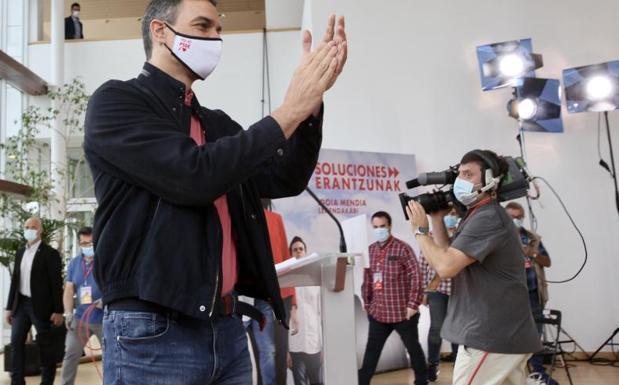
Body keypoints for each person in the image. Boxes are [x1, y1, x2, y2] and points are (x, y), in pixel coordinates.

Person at [83, 0, 347, 383]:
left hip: (225, 329)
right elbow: (194, 176)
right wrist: (289, 109)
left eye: (219, 30)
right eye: (203, 26)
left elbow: (284, 178)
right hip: (152, 331)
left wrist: (310, 104)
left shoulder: (217, 125)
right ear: (160, 31)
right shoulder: (117, 103)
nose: (216, 39)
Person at [406, 149, 542, 385]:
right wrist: (437, 219)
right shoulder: (477, 215)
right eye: (459, 174)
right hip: (501, 335)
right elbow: (448, 255)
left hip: (491, 337)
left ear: (490, 180)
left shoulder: (488, 217)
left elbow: (446, 267)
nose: (461, 180)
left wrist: (420, 231)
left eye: (468, 174)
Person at [358, 211, 428, 385]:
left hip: (403, 314)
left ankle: (422, 380)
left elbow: (416, 276)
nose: (379, 230)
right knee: (371, 352)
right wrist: (367, 304)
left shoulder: (402, 248)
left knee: (413, 349)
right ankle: (362, 382)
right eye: (375, 227)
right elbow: (367, 279)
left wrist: (413, 304)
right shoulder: (371, 250)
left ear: (389, 226)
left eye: (382, 226)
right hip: (379, 314)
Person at [4, 217, 64, 385]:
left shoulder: (50, 254)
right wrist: (9, 308)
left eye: (33, 227)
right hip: (21, 305)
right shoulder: (20, 252)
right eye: (26, 226)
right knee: (16, 343)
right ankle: (17, 381)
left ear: (40, 230)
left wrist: (58, 310)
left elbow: (56, 284)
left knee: (45, 346)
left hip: (41, 306)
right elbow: (15, 282)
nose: (29, 229)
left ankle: (46, 382)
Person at [505, 202, 557, 385]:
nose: (516, 221)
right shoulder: (499, 239)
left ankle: (538, 373)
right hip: (509, 298)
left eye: (519, 217)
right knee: (510, 337)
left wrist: (532, 254)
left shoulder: (532, 238)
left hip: (533, 295)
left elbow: (547, 261)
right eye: (511, 217)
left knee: (535, 336)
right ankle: (511, 375)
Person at [59, 226, 104, 385]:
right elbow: (69, 290)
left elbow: (115, 285)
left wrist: (106, 299)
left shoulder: (105, 260)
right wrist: (68, 313)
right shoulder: (74, 264)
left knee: (111, 357)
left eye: (90, 243)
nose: (87, 246)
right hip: (80, 319)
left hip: (103, 319)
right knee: (70, 354)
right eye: (83, 243)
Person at [420, 211, 459, 381]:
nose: (450, 216)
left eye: (453, 214)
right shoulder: (429, 236)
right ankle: (433, 364)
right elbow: (422, 263)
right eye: (447, 213)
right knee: (437, 328)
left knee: (458, 330)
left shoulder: (462, 235)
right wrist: (423, 291)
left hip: (459, 291)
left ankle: (460, 366)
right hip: (437, 290)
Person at [287, 236, 323, 385]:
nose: (298, 252)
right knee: (299, 382)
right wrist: (286, 352)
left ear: (305, 252)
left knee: (317, 381)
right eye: (295, 250)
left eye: (301, 249)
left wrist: (323, 346)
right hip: (295, 343)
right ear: (290, 254)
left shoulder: (315, 279)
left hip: (314, 342)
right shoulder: (286, 280)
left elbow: (320, 313)